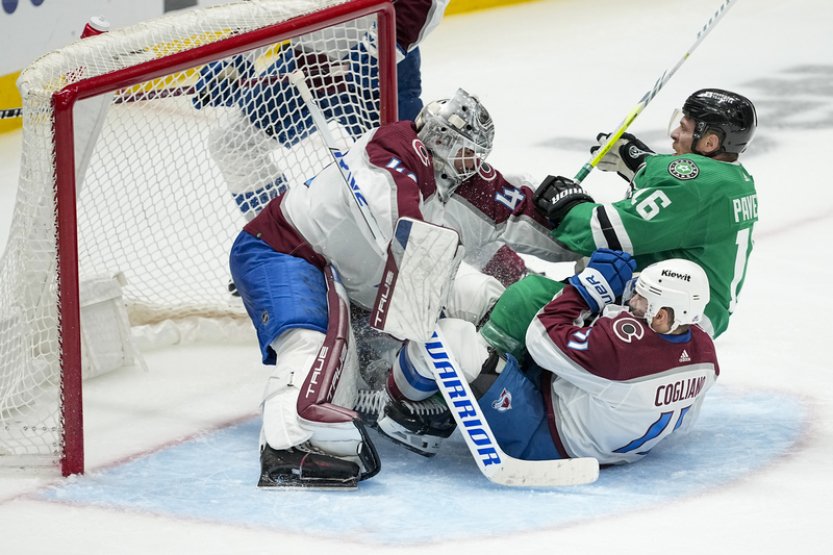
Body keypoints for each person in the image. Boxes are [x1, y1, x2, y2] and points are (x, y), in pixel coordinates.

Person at [229, 89, 579, 488]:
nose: (472, 165)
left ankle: (479, 387)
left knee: (487, 297)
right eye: (466, 152)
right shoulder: (390, 149)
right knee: (314, 344)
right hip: (287, 250)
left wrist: (575, 217)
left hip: (368, 280)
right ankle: (288, 444)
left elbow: (525, 213)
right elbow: (404, 230)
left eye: (476, 156)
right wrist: (419, 296)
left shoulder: (468, 179)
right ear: (441, 139)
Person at [360, 249, 720, 466]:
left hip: (543, 434)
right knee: (487, 294)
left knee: (449, 337)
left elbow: (542, 336)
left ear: (662, 315)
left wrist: (587, 287)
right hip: (586, 425)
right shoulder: (702, 348)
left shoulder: (625, 349)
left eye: (643, 297)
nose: (632, 302)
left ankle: (396, 401)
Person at [480, 88, 758, 361]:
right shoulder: (734, 179)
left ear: (709, 142)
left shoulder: (695, 186)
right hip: (690, 310)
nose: (675, 134)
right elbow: (680, 185)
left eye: (684, 129)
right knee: (595, 268)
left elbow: (605, 233)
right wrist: (638, 159)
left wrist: (568, 205)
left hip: (666, 318)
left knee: (529, 298)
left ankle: (487, 369)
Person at [192, 0, 452, 222]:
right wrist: (237, 56)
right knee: (232, 143)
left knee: (412, 179)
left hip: (380, 70)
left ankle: (425, 252)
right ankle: (282, 243)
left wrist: (387, 43)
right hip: (307, 65)